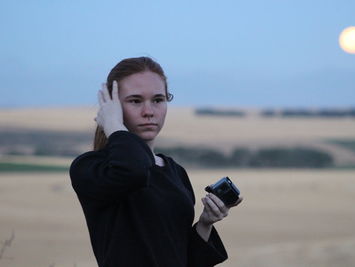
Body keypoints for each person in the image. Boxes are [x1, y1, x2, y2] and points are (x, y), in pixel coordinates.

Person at [69, 56, 243, 267]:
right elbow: (134, 171)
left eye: (158, 100)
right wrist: (113, 124)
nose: (149, 112)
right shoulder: (91, 168)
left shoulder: (175, 172)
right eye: (135, 101)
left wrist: (205, 223)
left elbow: (183, 259)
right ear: (111, 106)